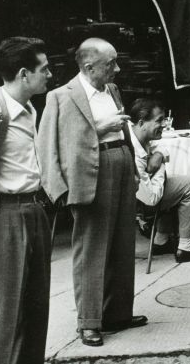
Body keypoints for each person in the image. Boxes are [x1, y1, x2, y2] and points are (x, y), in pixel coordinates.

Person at [38, 38, 146, 346]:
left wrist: (133, 168)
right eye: (111, 64)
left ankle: (118, 313)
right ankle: (89, 321)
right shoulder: (61, 96)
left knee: (122, 243)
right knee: (91, 249)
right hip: (90, 172)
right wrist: (58, 190)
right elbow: (47, 145)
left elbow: (124, 132)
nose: (117, 69)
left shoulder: (112, 90)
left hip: (120, 163)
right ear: (89, 67)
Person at [0, 37, 52, 364]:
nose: (50, 75)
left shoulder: (28, 109)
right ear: (24, 74)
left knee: (36, 309)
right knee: (4, 313)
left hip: (34, 209)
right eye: (44, 69)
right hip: (6, 215)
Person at [128, 98, 190, 263]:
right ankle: (186, 248)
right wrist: (160, 166)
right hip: (139, 205)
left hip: (143, 194)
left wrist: (159, 154)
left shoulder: (136, 134)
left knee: (175, 184)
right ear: (141, 123)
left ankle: (161, 240)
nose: (164, 124)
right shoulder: (134, 152)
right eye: (159, 120)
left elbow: (161, 147)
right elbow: (151, 199)